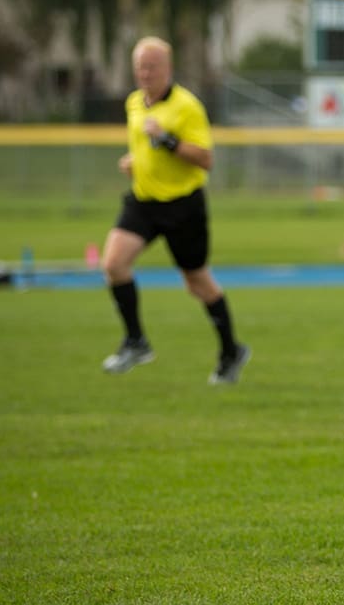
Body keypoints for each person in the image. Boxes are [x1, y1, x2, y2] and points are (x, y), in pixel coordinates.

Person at [100, 36, 250, 383]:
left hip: (183, 206)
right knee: (113, 264)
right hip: (143, 201)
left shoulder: (187, 107)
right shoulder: (134, 103)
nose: (145, 73)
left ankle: (231, 351)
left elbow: (206, 159)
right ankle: (136, 341)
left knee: (197, 282)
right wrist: (134, 161)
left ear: (168, 69)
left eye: (152, 67)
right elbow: (143, 147)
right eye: (140, 67)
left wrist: (167, 140)